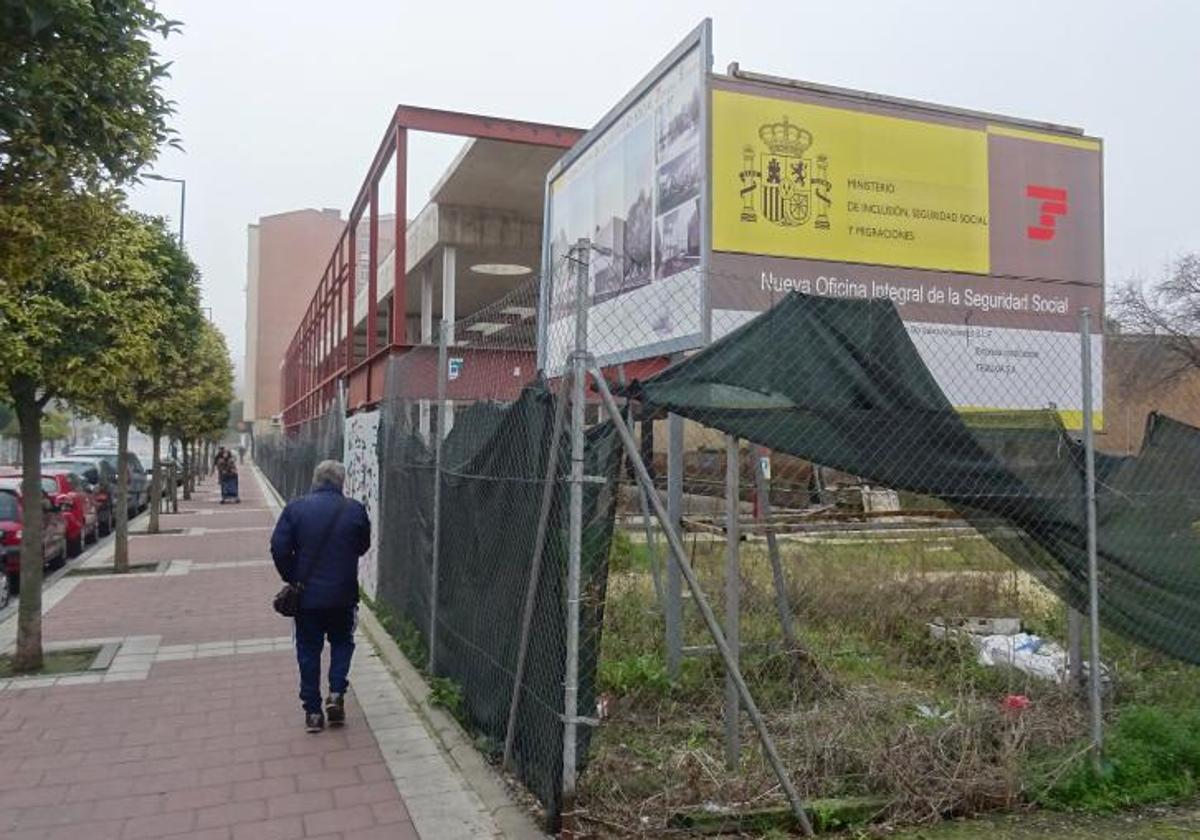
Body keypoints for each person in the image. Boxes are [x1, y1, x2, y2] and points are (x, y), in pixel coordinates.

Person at [270, 460, 371, 733]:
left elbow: (278, 548)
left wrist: (293, 577)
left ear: (315, 480)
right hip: (343, 595)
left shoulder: (296, 509)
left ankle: (313, 712)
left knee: (308, 651)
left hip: (307, 598)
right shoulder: (354, 510)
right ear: (341, 482)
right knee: (342, 642)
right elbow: (363, 546)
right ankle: (336, 692)